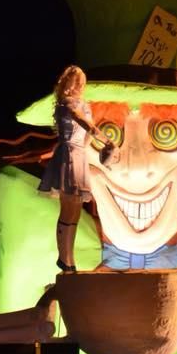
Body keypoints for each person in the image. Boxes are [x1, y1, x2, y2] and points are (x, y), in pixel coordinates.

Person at [38, 65, 114, 273]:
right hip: (68, 155)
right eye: (75, 80)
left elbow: (88, 134)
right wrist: (107, 140)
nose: (79, 84)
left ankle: (69, 260)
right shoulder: (66, 105)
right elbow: (85, 124)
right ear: (66, 82)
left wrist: (101, 145)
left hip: (79, 154)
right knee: (68, 207)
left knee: (76, 211)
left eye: (81, 81)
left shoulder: (83, 106)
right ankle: (64, 259)